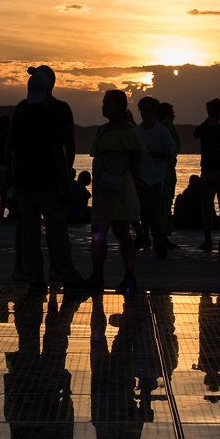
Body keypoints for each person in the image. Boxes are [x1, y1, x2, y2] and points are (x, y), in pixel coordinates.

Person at [6, 70, 89, 291]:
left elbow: (13, 154)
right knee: (57, 232)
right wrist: (66, 186)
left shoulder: (19, 116)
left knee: (30, 232)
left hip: (23, 184)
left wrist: (14, 184)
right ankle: (68, 274)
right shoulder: (53, 117)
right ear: (48, 90)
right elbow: (59, 155)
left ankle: (35, 278)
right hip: (48, 184)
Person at [88, 89, 144, 292]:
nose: (103, 106)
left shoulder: (129, 130)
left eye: (108, 103)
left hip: (120, 189)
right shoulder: (101, 130)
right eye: (103, 103)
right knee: (98, 232)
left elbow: (137, 160)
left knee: (122, 232)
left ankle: (129, 277)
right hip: (102, 190)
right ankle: (97, 276)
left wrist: (131, 183)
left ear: (120, 106)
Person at [133, 96, 177, 258]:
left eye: (149, 110)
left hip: (156, 179)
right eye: (143, 110)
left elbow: (173, 151)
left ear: (154, 111)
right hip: (139, 178)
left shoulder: (162, 131)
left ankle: (159, 245)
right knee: (138, 213)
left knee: (152, 214)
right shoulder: (136, 131)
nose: (145, 113)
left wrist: (161, 154)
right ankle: (145, 237)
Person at [14, 65, 76, 168]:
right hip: (24, 172)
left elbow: (70, 144)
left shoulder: (62, 109)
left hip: (52, 172)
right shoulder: (22, 107)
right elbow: (11, 142)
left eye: (39, 76)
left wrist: (67, 170)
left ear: (50, 84)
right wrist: (10, 170)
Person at [194, 98, 220, 251]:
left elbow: (196, 133)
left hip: (207, 171)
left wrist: (208, 118)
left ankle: (208, 240)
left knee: (207, 207)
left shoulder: (203, 129)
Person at [156, 102, 180, 246]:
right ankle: (162, 237)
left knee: (158, 204)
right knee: (165, 204)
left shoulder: (156, 126)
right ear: (166, 115)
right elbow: (175, 147)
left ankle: (158, 235)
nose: (174, 115)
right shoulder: (167, 126)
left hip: (158, 170)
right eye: (171, 112)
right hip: (166, 169)